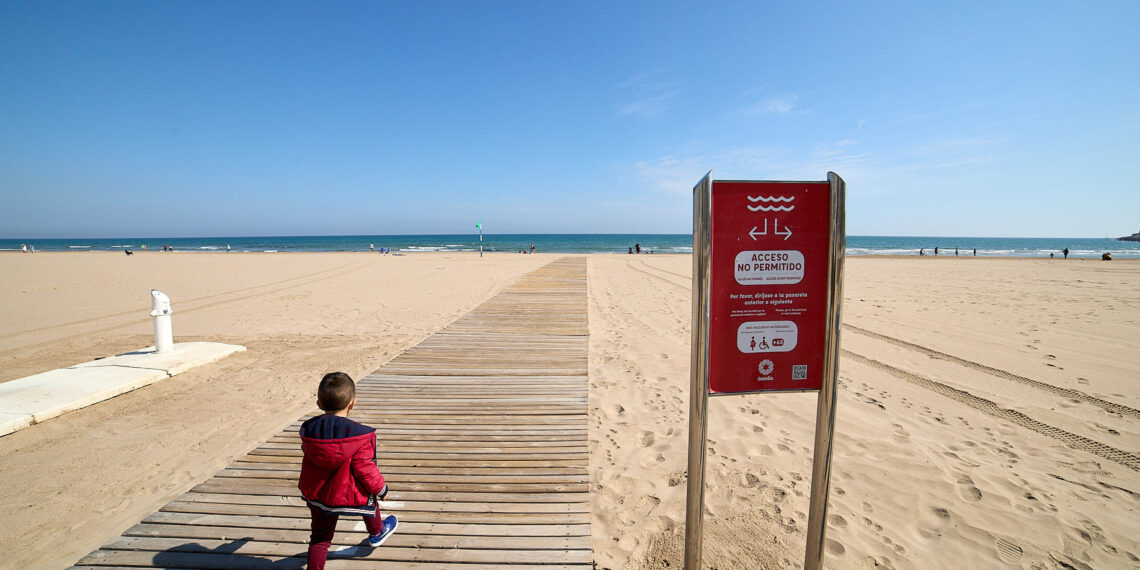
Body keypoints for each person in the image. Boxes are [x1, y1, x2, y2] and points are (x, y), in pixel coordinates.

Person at [299, 372, 398, 569]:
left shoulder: (309, 429)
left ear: (319, 404)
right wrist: (381, 489)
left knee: (320, 539)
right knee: (368, 496)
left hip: (319, 493)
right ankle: (377, 533)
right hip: (349, 492)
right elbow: (365, 468)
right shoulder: (359, 435)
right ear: (352, 403)